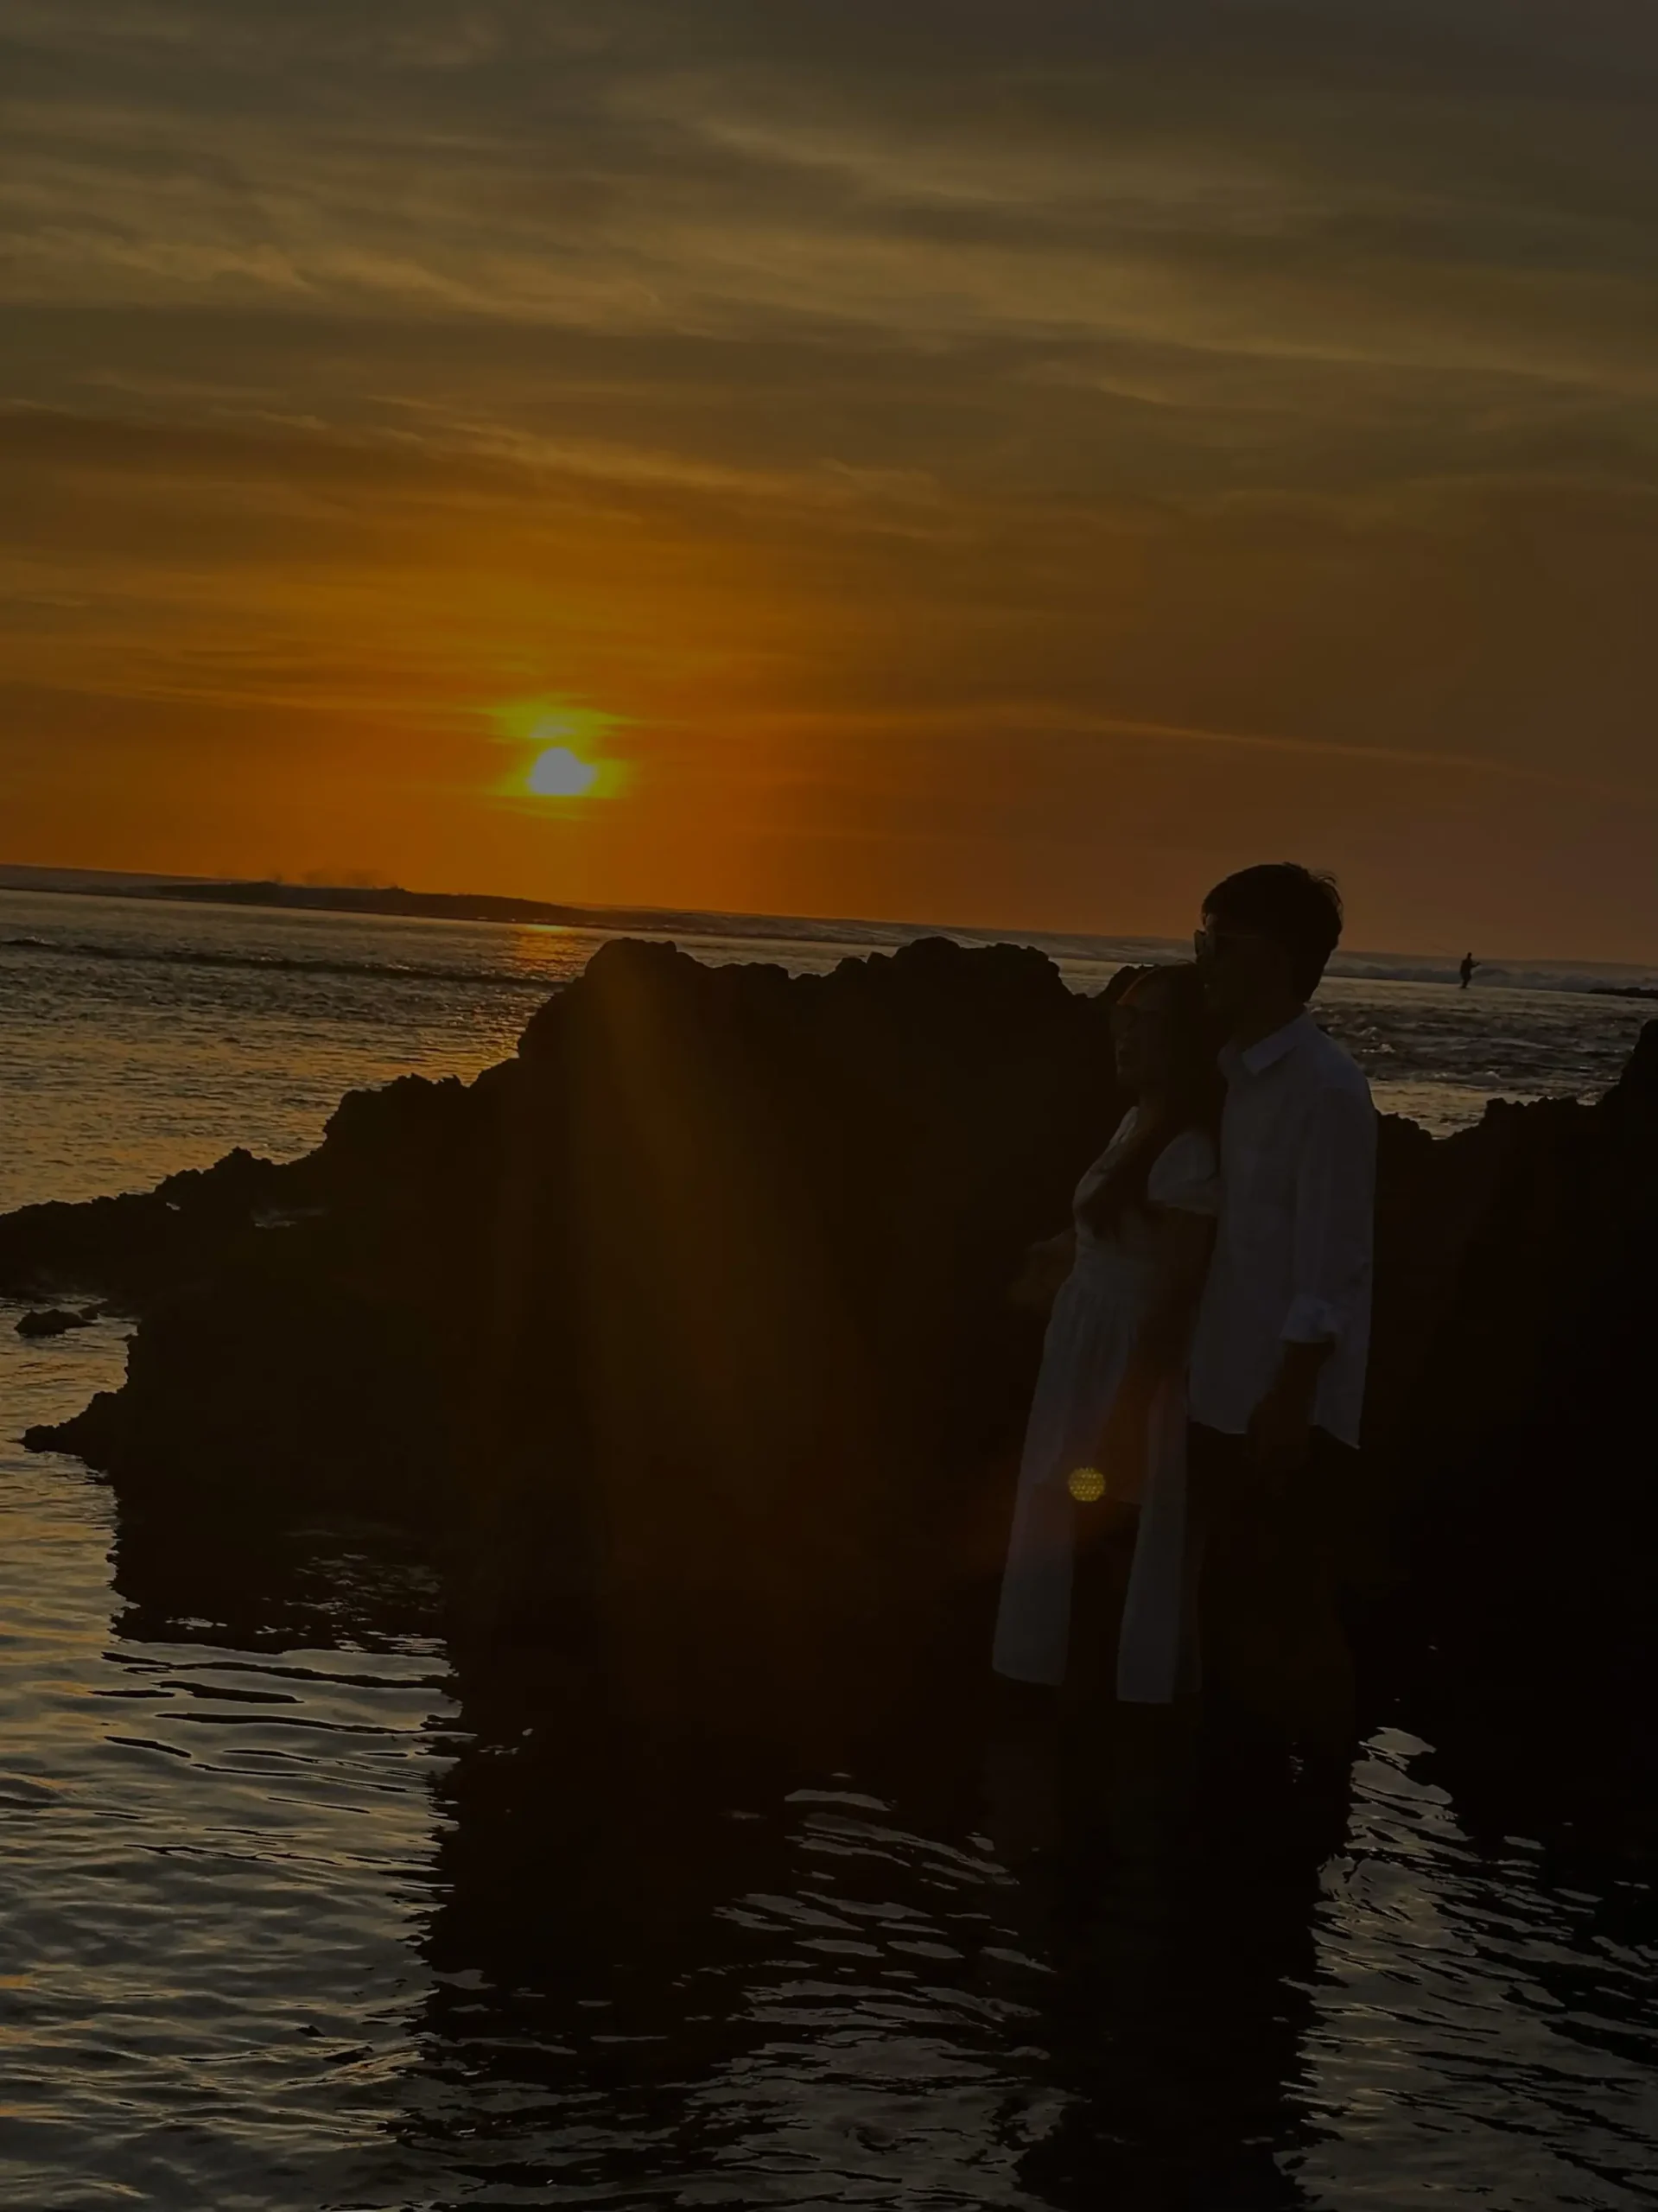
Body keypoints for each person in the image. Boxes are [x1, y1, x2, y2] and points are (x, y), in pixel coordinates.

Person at [992, 963, 1223, 1721]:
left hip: (1122, 1360)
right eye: (1121, 1018)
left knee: (1101, 1500)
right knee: (1067, 1494)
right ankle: (1053, 1673)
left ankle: (1111, 1695)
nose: (1125, 1036)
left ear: (1184, 1041)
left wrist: (1131, 1407)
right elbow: (1111, 1233)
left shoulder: (1188, 1150)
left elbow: (1176, 1290)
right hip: (1084, 1348)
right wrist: (1054, 1255)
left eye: (1147, 1023)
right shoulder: (1137, 1122)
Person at [1188, 863, 1376, 1764]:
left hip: (1282, 1405)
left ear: (1272, 957)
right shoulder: (1233, 1073)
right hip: (1222, 1384)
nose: (1201, 961)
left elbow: (1332, 1265)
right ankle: (1243, 1789)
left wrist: (1288, 1401)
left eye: (1215, 944)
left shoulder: (1325, 1088)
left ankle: (1324, 1802)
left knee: (1292, 1608)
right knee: (1230, 1605)